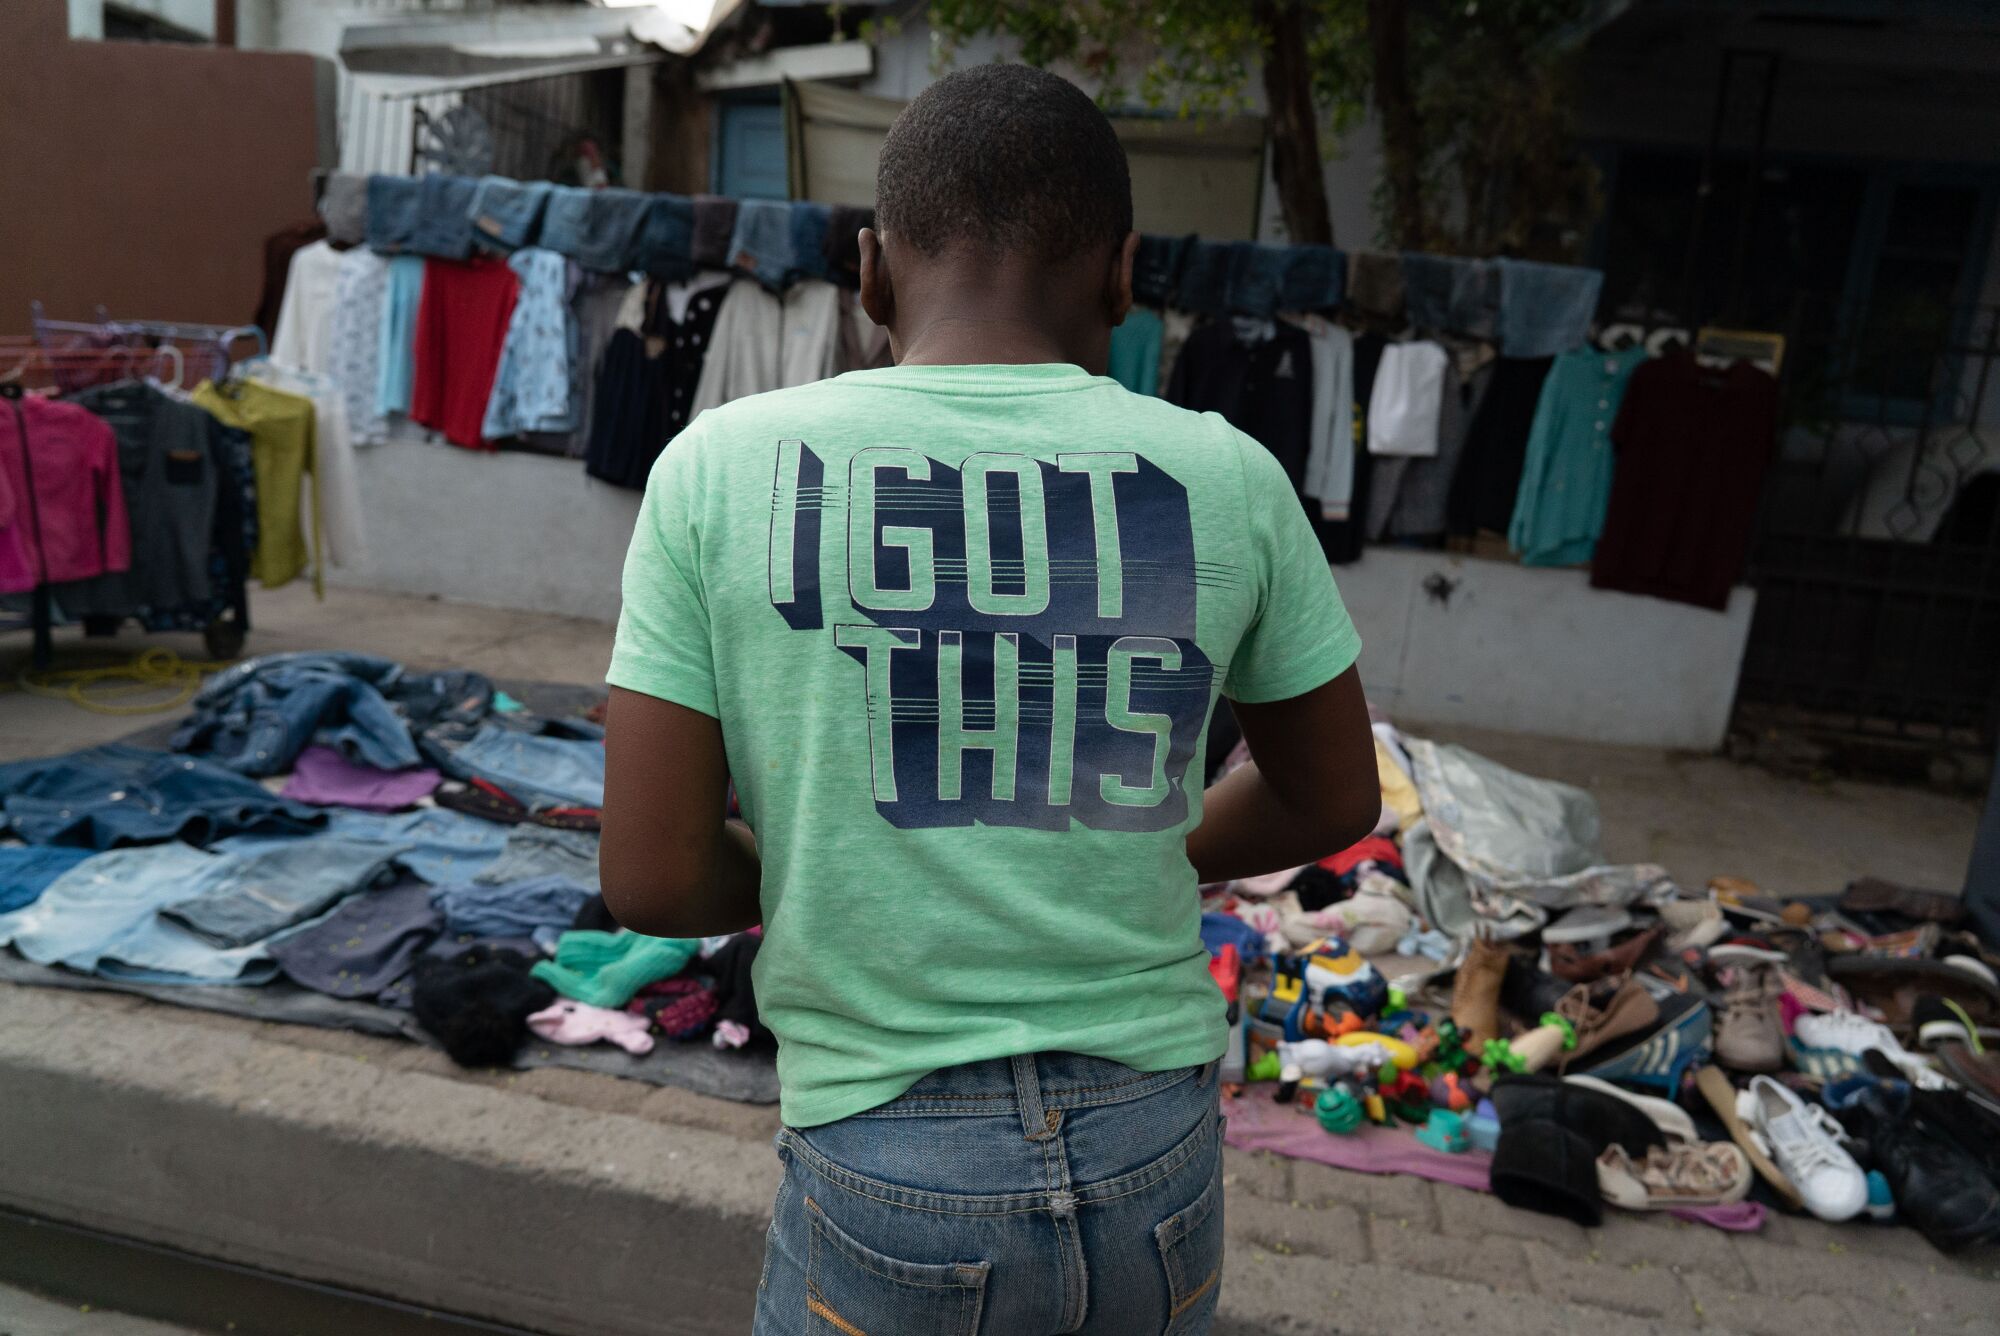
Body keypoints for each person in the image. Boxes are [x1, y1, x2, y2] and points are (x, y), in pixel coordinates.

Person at [601, 62, 1378, 1335]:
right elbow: (1331, 793)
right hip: (1151, 1152)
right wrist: (1111, 850)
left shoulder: (717, 471)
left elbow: (648, 874)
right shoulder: (1226, 475)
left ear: (868, 270)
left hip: (886, 1155)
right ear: (1124, 275)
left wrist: (835, 864)